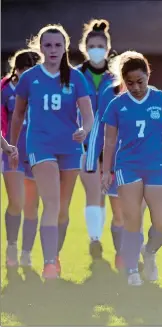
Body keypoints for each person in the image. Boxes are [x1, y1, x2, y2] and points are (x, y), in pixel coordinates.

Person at [11, 24, 94, 279]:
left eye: (58, 45)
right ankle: (48, 264)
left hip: (69, 146)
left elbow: (89, 116)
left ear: (65, 47)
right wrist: (13, 146)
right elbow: (18, 113)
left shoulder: (76, 77)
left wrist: (84, 130)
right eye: (47, 45)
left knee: (63, 208)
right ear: (40, 47)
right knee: (51, 202)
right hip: (41, 145)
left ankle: (53, 254)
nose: (53, 50)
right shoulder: (29, 78)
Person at [101, 51, 162, 286]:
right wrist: (105, 171)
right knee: (131, 219)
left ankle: (149, 252)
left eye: (140, 81)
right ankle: (132, 270)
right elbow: (109, 141)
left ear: (148, 75)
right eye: (129, 83)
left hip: (157, 166)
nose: (135, 87)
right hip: (127, 166)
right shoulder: (116, 104)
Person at [77, 19, 115, 259]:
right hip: (86, 143)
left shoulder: (118, 76)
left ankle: (121, 245)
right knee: (94, 193)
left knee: (112, 195)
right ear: (85, 47)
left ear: (108, 48)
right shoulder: (75, 76)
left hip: (114, 144)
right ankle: (95, 239)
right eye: (92, 45)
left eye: (100, 45)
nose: (96, 49)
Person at [2, 50, 41, 267]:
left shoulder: (44, 89)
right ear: (16, 71)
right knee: (16, 202)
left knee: (32, 206)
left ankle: (26, 252)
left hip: (37, 154)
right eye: (24, 71)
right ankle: (11, 246)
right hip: (12, 152)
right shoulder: (5, 89)